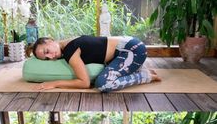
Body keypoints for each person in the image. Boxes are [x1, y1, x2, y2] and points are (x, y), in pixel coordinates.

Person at [30, 34, 161, 92]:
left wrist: (54, 84)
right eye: (46, 58)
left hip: (132, 50)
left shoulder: (70, 50)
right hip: (128, 46)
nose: (50, 57)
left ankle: (146, 76)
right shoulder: (68, 43)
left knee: (103, 84)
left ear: (50, 40)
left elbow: (85, 83)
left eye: (47, 51)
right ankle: (138, 69)